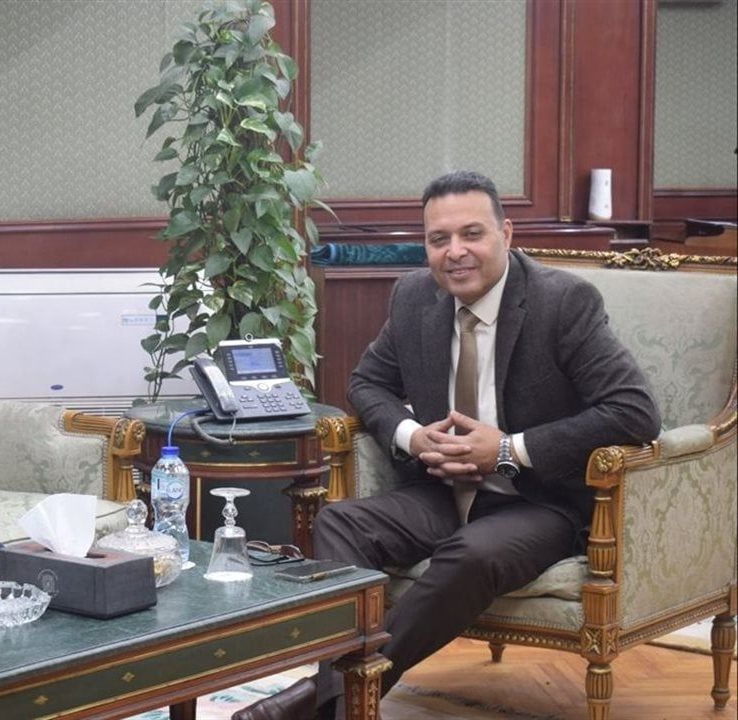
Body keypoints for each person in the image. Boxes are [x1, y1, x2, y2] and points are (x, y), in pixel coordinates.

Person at [235, 171, 660, 719]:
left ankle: (324, 704)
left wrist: (509, 449)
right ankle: (342, 703)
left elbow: (634, 411)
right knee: (338, 523)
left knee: (472, 554)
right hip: (440, 490)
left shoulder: (563, 302)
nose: (455, 252)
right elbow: (367, 383)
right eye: (439, 239)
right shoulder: (415, 297)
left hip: (538, 502)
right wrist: (413, 436)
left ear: (506, 233)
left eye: (471, 234)